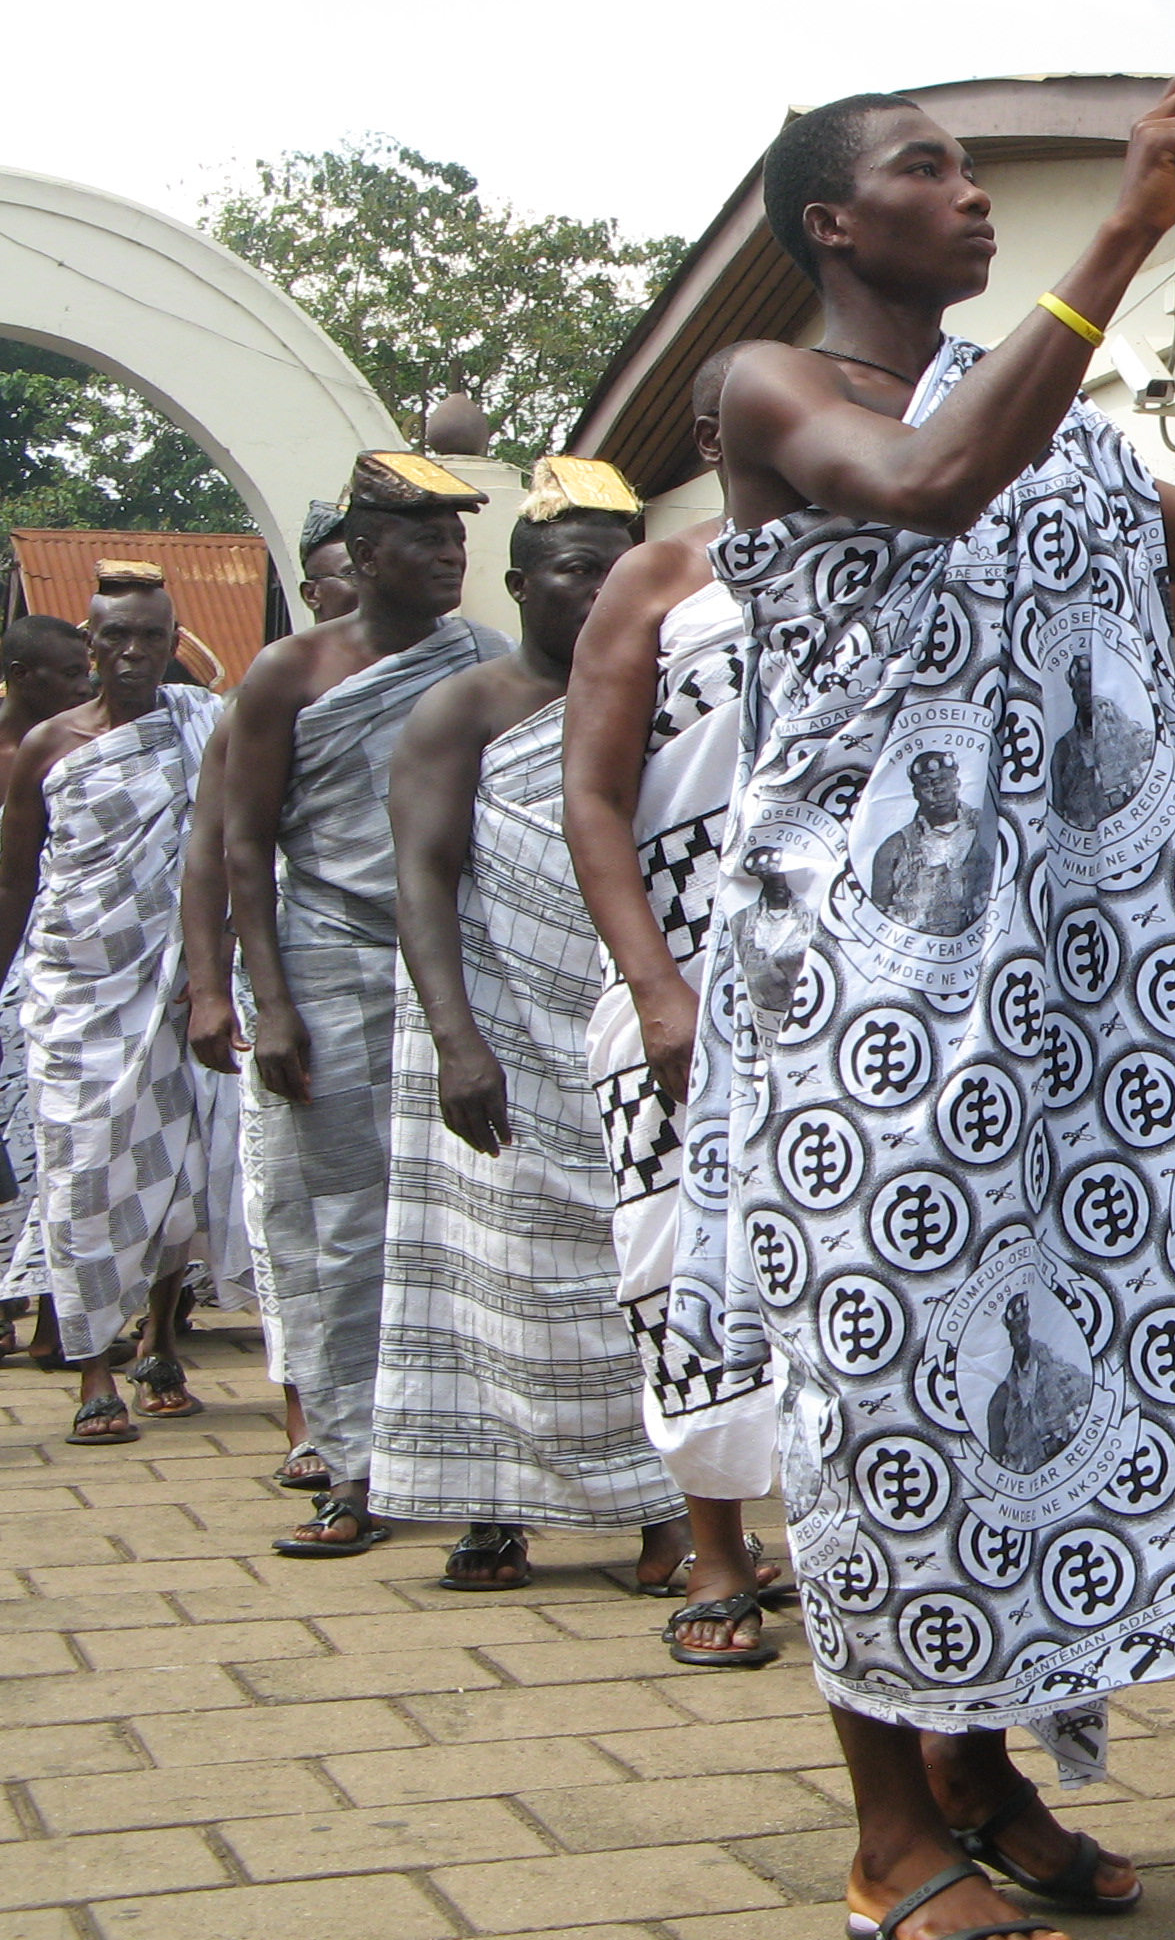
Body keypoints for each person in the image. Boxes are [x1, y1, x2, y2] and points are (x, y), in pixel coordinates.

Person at [672, 64, 1175, 1940]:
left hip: (1075, 997)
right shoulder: (774, 390)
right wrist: (1127, 225)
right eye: (921, 170)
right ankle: (886, 1834)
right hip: (868, 980)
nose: (964, 191)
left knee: (1054, 1358)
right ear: (831, 226)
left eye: (968, 167)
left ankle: (982, 1767)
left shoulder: (1076, 433)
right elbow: (929, 488)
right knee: (888, 1382)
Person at [371, 462, 672, 1590]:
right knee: (491, 1273)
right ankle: (495, 1507)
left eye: (619, 570)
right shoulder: (469, 707)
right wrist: (457, 1041)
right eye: (573, 572)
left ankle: (662, 1513)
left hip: (626, 1023)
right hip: (497, 1027)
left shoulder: (666, 694)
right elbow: (421, 876)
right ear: (520, 583)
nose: (598, 594)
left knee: (639, 1263)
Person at [228, 451, 505, 1558]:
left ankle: (482, 1464)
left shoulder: (484, 663)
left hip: (459, 968)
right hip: (328, 957)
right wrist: (268, 1002)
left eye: (458, 536)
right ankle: (351, 1465)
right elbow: (246, 842)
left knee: (468, 1223)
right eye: (425, 536)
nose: (448, 554)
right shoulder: (289, 674)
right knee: (345, 1224)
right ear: (366, 549)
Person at [562, 343, 789, 1665]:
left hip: (842, 990)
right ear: (712, 443)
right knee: (681, 1260)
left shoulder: (882, 566)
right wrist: (657, 987)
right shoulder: (657, 581)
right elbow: (593, 797)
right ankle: (712, 1549)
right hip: (684, 980)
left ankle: (839, 1533)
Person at [0, 567, 244, 1443]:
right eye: (115, 638)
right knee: (78, 1170)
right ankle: (90, 1370)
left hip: (178, 982)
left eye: (150, 637)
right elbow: (19, 884)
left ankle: (160, 1343)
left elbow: (233, 850)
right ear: (89, 644)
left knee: (176, 1161)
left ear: (175, 643)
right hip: (75, 991)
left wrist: (216, 971)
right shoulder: (49, 746)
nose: (133, 653)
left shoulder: (203, 728)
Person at [181, 500, 360, 1488]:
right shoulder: (272, 695)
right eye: (332, 580)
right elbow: (214, 851)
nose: (350, 596)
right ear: (312, 588)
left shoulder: (437, 678)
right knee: (294, 1205)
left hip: (402, 977)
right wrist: (214, 988)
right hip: (290, 973)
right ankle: (310, 1420)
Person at [0, 612, 90, 1359]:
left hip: (53, 966)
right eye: (69, 673)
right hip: (11, 963)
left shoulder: (79, 751)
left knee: (48, 1140)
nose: (83, 684)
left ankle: (54, 1317)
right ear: (23, 676)